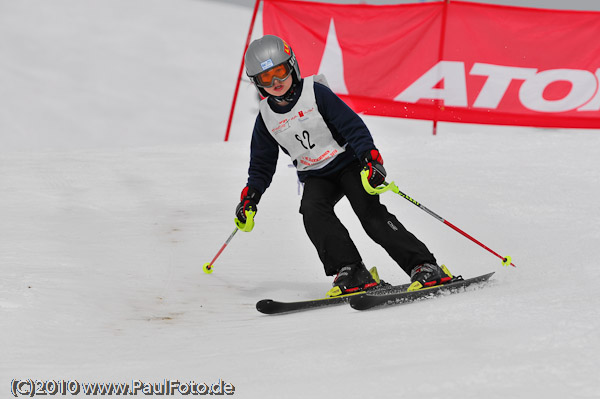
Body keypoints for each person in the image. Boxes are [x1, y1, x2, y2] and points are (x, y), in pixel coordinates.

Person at [235, 34, 451, 297]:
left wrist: (371, 159)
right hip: (316, 175)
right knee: (312, 212)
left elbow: (352, 126)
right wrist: (251, 197)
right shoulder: (266, 117)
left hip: (348, 163)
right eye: (266, 78)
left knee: (370, 215)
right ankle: (351, 269)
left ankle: (424, 265)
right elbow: (261, 164)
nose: (276, 82)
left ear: (292, 66)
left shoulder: (315, 93)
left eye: (279, 72)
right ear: (257, 84)